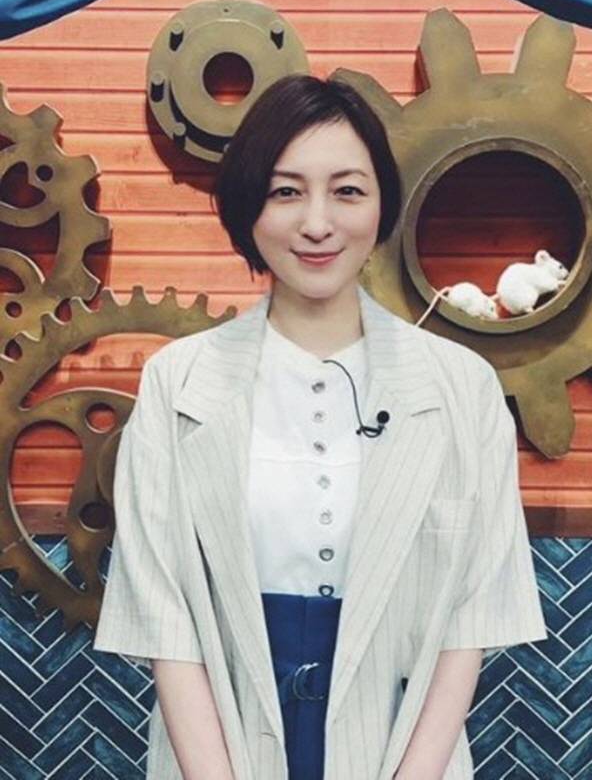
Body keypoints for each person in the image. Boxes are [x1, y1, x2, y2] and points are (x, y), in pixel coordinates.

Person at [93, 74, 548, 780]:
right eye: (286, 191)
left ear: (382, 204)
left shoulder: (463, 388)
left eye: (347, 191)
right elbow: (164, 616)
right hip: (222, 742)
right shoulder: (176, 383)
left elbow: (472, 615)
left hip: (401, 744)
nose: (316, 223)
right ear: (248, 207)